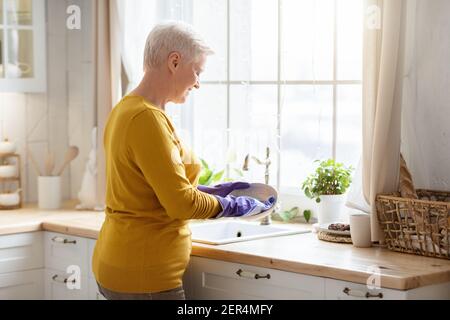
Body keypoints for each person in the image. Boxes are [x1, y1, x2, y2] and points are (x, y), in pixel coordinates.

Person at [92, 21, 274, 300]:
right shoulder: (147, 119)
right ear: (174, 62)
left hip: (120, 264)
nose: (198, 83)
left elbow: (150, 190)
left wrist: (210, 192)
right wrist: (233, 206)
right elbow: (180, 204)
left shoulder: (126, 109)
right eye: (197, 72)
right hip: (145, 276)